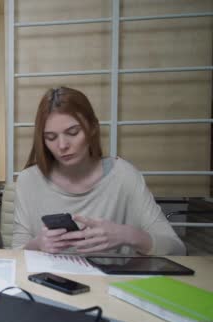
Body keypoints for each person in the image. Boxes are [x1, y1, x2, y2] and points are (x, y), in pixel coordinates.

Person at [12, 86, 186, 255]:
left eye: (73, 132)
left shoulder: (123, 175)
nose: (62, 145)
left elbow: (176, 249)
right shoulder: (29, 180)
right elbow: (15, 254)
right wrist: (38, 244)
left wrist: (126, 235)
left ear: (93, 128)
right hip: (45, 282)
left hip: (111, 283)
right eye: (51, 137)